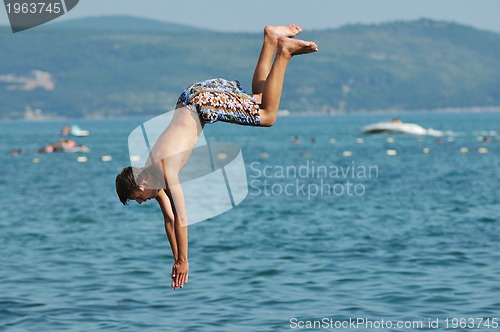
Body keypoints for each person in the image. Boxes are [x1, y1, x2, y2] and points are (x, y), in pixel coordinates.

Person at [115, 24, 318, 290]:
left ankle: (284, 52)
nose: (141, 202)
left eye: (137, 199)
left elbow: (183, 219)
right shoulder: (153, 172)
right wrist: (176, 259)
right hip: (191, 97)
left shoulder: (164, 172)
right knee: (259, 98)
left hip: (203, 103)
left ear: (140, 187)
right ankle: (271, 39)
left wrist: (185, 261)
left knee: (268, 116)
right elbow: (169, 220)